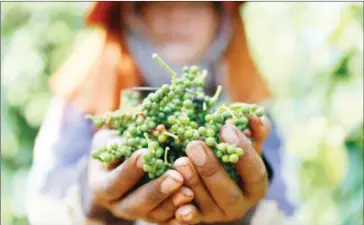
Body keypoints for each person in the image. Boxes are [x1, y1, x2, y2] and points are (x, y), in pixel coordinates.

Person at [26, 2, 295, 225]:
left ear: (220, 16)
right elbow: (43, 205)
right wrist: (91, 204)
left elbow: (289, 210)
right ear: (133, 12)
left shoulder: (246, 103)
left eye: (197, 2)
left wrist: (247, 215)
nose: (177, 14)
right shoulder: (86, 91)